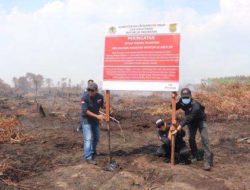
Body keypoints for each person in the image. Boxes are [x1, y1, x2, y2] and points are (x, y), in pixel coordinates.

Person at [174, 88, 213, 171]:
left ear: (190, 96)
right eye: (183, 97)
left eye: (187, 97)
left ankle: (207, 161)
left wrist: (179, 126)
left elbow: (189, 117)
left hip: (200, 120)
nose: (185, 99)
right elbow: (173, 107)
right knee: (191, 139)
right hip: (191, 122)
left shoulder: (195, 105)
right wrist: (173, 98)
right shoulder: (181, 102)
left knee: (205, 139)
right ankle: (196, 155)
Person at [80, 82, 105, 165]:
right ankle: (88, 157)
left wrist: (109, 109)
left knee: (97, 137)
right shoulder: (84, 97)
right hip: (86, 119)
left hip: (95, 120)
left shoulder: (100, 97)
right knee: (88, 138)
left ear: (96, 90)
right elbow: (85, 111)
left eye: (92, 90)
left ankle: (93, 151)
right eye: (88, 90)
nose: (90, 91)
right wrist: (97, 116)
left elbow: (103, 106)